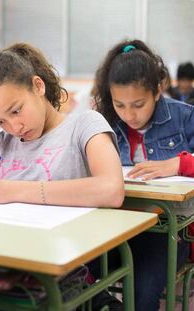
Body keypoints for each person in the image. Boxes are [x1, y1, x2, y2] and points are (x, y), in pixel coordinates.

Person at [0, 42, 124, 208]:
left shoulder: (84, 126)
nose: (15, 128)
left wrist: (10, 190)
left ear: (38, 86)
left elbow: (111, 190)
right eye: (0, 121)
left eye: (16, 110)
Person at [94, 39, 191, 311]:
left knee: (142, 294)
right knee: (70, 272)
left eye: (138, 104)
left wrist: (178, 164)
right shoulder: (104, 122)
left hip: (171, 230)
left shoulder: (183, 117)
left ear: (157, 90)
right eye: (119, 105)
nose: (129, 115)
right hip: (117, 225)